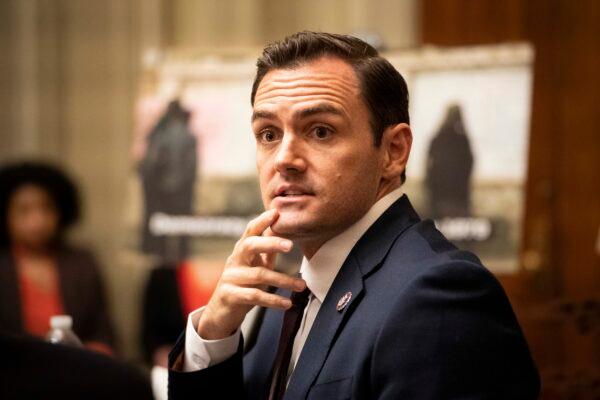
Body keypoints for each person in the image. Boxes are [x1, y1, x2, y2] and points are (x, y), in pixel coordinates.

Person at [168, 31, 539, 399]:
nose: (284, 159)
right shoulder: (280, 296)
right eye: (268, 134)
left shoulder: (440, 296)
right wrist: (214, 334)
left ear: (393, 151)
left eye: (320, 131)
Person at [0, 162, 114, 354]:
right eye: (24, 210)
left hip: (78, 369)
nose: (38, 220)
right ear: (6, 216)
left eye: (46, 208)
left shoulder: (82, 262)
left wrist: (99, 349)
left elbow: (102, 330)